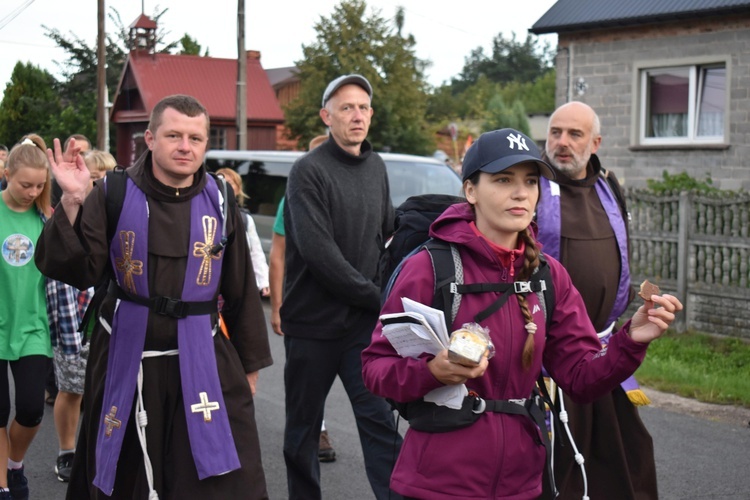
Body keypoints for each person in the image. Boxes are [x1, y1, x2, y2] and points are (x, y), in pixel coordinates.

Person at [361, 128, 683, 499]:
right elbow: (375, 369)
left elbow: (580, 378)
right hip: (438, 483)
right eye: (503, 180)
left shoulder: (548, 275)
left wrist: (630, 340)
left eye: (530, 181)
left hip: (523, 482)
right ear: (470, 191)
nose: (520, 193)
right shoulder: (429, 267)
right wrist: (432, 371)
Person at [35, 94, 273, 499]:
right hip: (128, 351)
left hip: (201, 354)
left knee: (219, 478)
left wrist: (249, 364)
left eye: (196, 138)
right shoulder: (114, 191)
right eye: (174, 135)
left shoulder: (219, 197)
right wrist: (73, 201)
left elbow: (239, 288)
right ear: (149, 138)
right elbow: (79, 270)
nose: (186, 146)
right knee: (125, 474)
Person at [281, 74, 402, 499]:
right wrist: (380, 296)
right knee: (303, 431)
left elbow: (387, 236)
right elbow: (321, 255)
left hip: (361, 329)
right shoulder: (307, 171)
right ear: (326, 116)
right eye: (347, 107)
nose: (357, 115)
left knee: (380, 425)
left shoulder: (376, 167)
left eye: (364, 107)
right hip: (311, 325)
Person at [536, 101, 658, 499]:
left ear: (596, 142)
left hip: (604, 349)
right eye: (556, 132)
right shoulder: (529, 186)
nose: (562, 142)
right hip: (549, 356)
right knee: (558, 468)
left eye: (575, 134)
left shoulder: (609, 187)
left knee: (627, 459)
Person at [269, 133, 337, 463]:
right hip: (305, 309)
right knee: (309, 380)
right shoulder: (291, 199)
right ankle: (316, 430)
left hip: (345, 309)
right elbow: (278, 255)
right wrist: (278, 307)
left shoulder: (349, 194)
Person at [50, 149, 116, 483]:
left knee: (103, 390)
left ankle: (99, 453)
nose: (101, 181)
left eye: (107, 175)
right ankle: (67, 450)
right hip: (70, 310)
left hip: (107, 315)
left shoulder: (118, 212)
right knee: (73, 388)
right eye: (96, 174)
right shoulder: (70, 208)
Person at [0, 134, 57, 500]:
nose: (32, 192)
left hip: (34, 327)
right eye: (25, 184)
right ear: (6, 172)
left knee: (33, 408)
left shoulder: (46, 218)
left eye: (39, 185)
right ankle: (3, 487)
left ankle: (14, 465)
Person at [214, 168, 270, 297]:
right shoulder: (206, 214)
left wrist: (264, 280)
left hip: (237, 281)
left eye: (229, 182)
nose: (224, 185)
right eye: (220, 181)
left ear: (238, 189)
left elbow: (255, 252)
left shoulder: (245, 219)